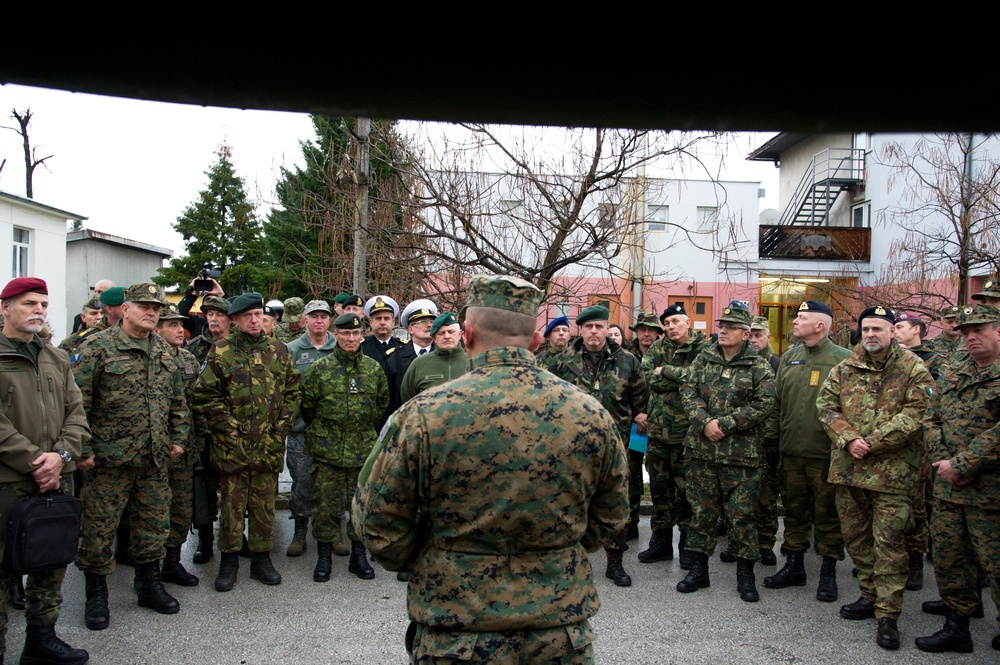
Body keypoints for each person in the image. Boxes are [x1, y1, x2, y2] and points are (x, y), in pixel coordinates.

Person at [353, 275, 628, 663]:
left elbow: (375, 521)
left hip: (456, 631)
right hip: (557, 631)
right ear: (535, 340)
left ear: (466, 334)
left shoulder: (423, 415)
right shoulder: (588, 412)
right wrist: (557, 553)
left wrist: (432, 559)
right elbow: (612, 512)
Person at [73, 283, 190, 630]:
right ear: (124, 309)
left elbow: (178, 403)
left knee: (153, 525)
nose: (151, 312)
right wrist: (83, 449)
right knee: (99, 529)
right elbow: (78, 402)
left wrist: (178, 440)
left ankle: (148, 583)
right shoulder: (97, 346)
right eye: (143, 306)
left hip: (154, 459)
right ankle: (96, 593)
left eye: (156, 307)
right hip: (109, 460)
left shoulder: (164, 351)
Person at [817, 305, 933, 650]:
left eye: (878, 329)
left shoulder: (913, 368)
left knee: (889, 547)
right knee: (857, 541)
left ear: (893, 331)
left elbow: (918, 413)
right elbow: (826, 406)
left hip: (892, 477)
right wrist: (849, 438)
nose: (871, 335)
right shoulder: (845, 367)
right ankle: (868, 596)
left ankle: (888, 615)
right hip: (850, 472)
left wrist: (874, 443)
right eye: (866, 329)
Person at [0, 277, 90, 665]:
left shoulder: (55, 356)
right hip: (9, 482)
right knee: (3, 568)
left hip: (57, 479)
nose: (38, 310)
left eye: (43, 304)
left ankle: (41, 640)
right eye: (28, 303)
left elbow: (77, 415)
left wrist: (60, 457)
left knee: (51, 563)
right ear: (5, 307)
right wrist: (37, 462)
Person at [192, 293, 301, 592]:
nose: (254, 320)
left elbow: (293, 391)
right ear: (236, 320)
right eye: (247, 316)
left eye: (258, 314)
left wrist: (281, 427)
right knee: (231, 506)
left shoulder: (279, 351)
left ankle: (261, 559)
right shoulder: (221, 351)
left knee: (264, 504)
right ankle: (228, 561)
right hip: (233, 447)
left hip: (268, 443)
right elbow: (204, 396)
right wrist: (229, 428)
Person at [915, 303, 1000, 655]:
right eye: (965, 332)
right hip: (949, 488)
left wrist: (962, 464)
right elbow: (930, 418)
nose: (971, 337)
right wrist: (942, 461)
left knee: (996, 565)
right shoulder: (954, 370)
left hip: (990, 491)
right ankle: (957, 625)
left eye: (979, 329)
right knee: (951, 559)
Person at [676, 306, 775, 603]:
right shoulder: (703, 359)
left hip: (741, 458)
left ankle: (745, 576)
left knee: (741, 517)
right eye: (722, 325)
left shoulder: (759, 367)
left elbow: (764, 404)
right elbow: (686, 389)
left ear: (746, 334)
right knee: (701, 514)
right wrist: (705, 422)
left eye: (731, 327)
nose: (724, 330)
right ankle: (698, 571)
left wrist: (726, 424)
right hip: (702, 453)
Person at [547, 305, 648, 587]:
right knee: (569, 504)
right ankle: (568, 561)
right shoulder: (561, 361)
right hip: (571, 450)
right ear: (580, 329)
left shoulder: (627, 361)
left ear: (607, 328)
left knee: (614, 504)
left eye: (599, 326)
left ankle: (615, 562)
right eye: (589, 326)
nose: (594, 331)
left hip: (614, 448)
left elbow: (640, 400)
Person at [763, 301, 851, 603]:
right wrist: (773, 440)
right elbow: (776, 403)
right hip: (791, 451)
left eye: (803, 317)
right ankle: (794, 565)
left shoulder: (844, 360)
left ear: (821, 326)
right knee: (795, 511)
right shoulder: (790, 357)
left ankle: (828, 572)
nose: (796, 321)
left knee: (828, 515)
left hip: (826, 454)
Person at [301, 313, 388, 582]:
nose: (351, 339)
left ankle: (357, 557)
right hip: (327, 451)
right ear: (335, 335)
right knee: (325, 507)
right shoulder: (320, 369)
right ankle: (324, 555)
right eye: (345, 334)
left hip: (361, 452)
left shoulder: (373, 369)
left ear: (362, 335)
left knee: (360, 507)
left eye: (355, 334)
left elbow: (381, 406)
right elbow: (308, 409)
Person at [639, 304, 707, 567]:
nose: (670, 327)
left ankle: (688, 545)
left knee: (688, 492)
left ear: (687, 322)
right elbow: (646, 378)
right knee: (659, 489)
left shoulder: (703, 349)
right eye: (667, 323)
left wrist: (665, 371)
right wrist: (680, 380)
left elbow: (700, 378)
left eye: (675, 322)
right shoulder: (658, 348)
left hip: (688, 435)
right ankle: (661, 542)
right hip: (657, 433)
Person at [284, 300, 339, 558]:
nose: (319, 321)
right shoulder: (291, 350)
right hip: (301, 432)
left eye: (323, 316)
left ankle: (334, 530)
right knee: (302, 482)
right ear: (305, 319)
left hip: (332, 432)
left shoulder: (340, 348)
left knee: (332, 483)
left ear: (330, 321)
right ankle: (299, 531)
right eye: (314, 316)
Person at [154, 305, 202, 588]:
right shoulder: (151, 358)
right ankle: (148, 569)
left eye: (179, 325)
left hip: (185, 448)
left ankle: (172, 562)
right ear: (157, 329)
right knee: (152, 511)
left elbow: (195, 401)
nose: (178, 330)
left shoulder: (188, 359)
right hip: (155, 449)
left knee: (182, 509)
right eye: (171, 325)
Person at [183, 294, 231, 564]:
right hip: (203, 431)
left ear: (229, 319)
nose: (213, 319)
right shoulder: (193, 348)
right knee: (204, 488)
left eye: (219, 314)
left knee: (232, 486)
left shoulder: (238, 347)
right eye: (209, 314)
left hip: (232, 429)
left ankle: (235, 535)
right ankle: (205, 539)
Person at [400, 312, 467, 403]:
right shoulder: (419, 364)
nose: (447, 336)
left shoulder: (473, 362)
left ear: (460, 334)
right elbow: (407, 401)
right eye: (441, 333)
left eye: (451, 332)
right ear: (434, 338)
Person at [385, 299, 438, 415]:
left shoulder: (444, 355)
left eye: (432, 322)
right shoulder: (395, 357)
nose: (429, 325)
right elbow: (389, 399)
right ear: (410, 329)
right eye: (423, 321)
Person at [360, 295, 405, 430]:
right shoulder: (361, 348)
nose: (382, 322)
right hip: (369, 416)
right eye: (378, 319)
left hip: (396, 414)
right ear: (370, 322)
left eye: (386, 318)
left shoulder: (403, 348)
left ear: (393, 321)